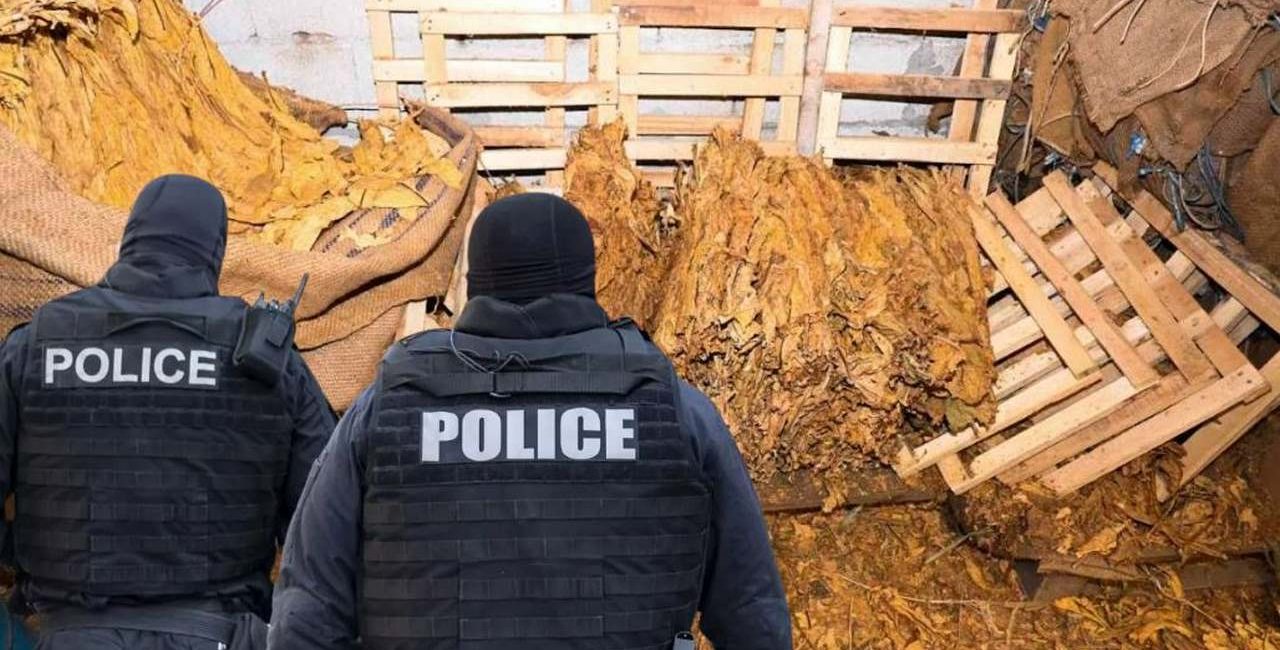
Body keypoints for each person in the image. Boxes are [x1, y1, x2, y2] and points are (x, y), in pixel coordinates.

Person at [269, 193, 792, 650]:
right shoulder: (677, 412)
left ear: (476, 284)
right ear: (585, 280)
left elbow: (308, 613)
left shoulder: (385, 410)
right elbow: (752, 613)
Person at [0, 175, 337, 650]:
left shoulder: (37, 345)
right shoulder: (265, 359)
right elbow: (324, 525)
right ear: (214, 250)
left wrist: (23, 555)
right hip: (220, 633)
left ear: (132, 239)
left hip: (70, 634)